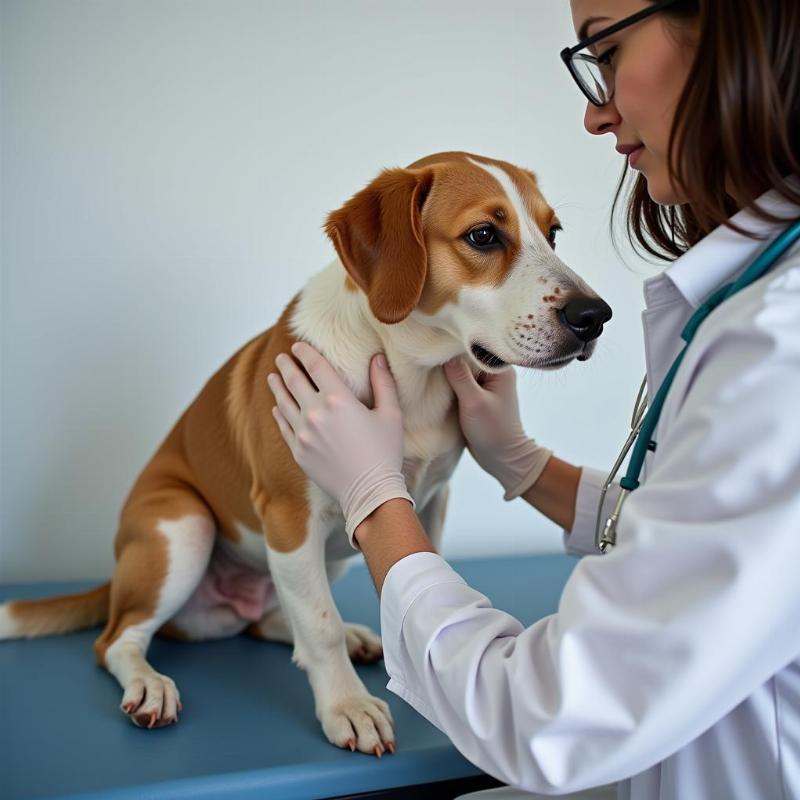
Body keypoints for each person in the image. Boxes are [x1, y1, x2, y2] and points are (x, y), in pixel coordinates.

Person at [266, 1, 800, 797]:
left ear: (740, 28)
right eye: (489, 238)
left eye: (608, 50)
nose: (595, 111)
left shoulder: (778, 349)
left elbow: (552, 717)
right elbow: (699, 542)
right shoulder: (757, 303)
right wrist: (522, 464)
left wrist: (376, 500)